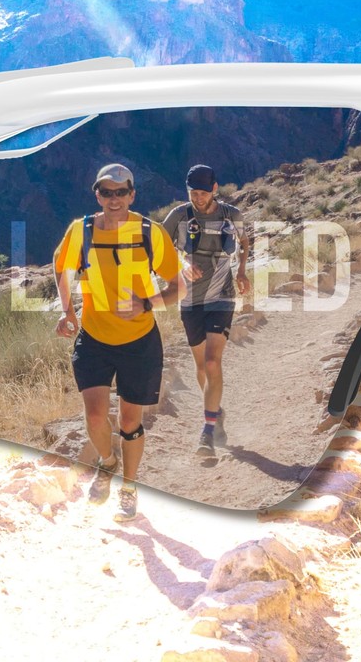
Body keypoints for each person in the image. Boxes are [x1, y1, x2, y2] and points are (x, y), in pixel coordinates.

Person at [54, 163, 186, 522]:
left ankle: (129, 488)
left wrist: (147, 303)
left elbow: (179, 286)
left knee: (129, 422)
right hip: (94, 338)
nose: (114, 199)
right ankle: (107, 462)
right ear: (97, 195)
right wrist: (68, 312)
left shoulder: (149, 233)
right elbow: (61, 266)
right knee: (96, 415)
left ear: (132, 194)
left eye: (121, 192)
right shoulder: (81, 231)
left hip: (139, 342)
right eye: (106, 192)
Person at [162, 164, 251, 456]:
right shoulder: (179, 216)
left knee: (212, 362)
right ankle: (216, 412)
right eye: (193, 193)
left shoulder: (231, 215)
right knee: (201, 368)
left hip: (222, 297)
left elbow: (244, 241)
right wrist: (181, 263)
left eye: (202, 192)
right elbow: (159, 249)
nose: (198, 198)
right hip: (190, 301)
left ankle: (208, 431)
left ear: (214, 188)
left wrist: (242, 271)